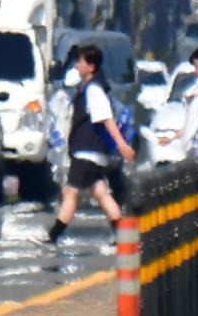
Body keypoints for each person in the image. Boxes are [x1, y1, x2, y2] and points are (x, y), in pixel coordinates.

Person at [40, 45, 135, 249]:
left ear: (90, 66)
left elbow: (106, 119)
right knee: (101, 193)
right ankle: (124, 235)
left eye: (80, 62)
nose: (76, 65)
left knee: (70, 192)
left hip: (87, 151)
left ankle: (52, 237)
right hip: (92, 152)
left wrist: (121, 145)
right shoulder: (90, 87)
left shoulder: (93, 90)